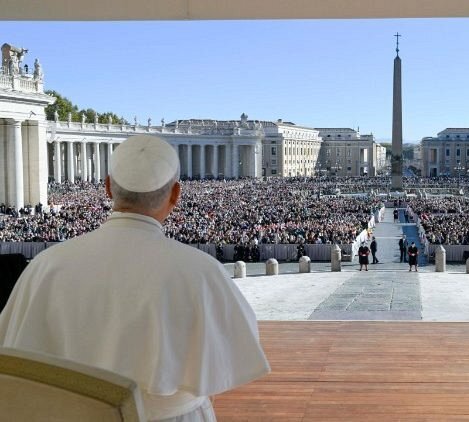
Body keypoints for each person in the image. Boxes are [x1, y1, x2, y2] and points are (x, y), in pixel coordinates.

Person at [0, 134, 270, 422]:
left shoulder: (45, 266)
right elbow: (232, 357)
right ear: (175, 194)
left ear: (108, 188)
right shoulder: (202, 271)